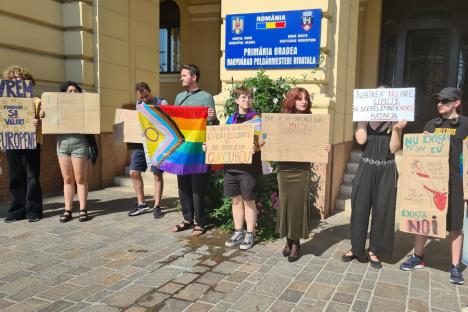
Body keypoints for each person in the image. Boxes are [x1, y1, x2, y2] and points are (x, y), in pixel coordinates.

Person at [400, 87, 467, 285]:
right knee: (423, 219)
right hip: (430, 184)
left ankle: (455, 266)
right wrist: (424, 142)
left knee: (456, 226)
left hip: (456, 184)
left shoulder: (465, 125)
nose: (440, 104)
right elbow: (421, 154)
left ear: (457, 103)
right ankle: (417, 257)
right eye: (438, 101)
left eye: (445, 101)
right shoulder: (431, 124)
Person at [342, 86, 407, 269]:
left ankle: (375, 250)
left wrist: (395, 129)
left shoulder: (394, 121)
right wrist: (361, 121)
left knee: (383, 210)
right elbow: (361, 140)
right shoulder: (365, 119)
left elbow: (393, 149)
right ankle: (356, 248)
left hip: (386, 169)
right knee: (360, 207)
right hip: (366, 167)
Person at [272, 87, 330, 262]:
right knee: (286, 205)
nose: (303, 101)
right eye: (299, 98)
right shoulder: (280, 121)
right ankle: (289, 238)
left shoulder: (313, 121)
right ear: (292, 101)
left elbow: (317, 143)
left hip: (301, 169)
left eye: (306, 98)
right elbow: (273, 141)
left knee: (298, 205)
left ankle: (295, 243)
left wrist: (324, 148)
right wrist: (265, 141)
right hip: (284, 169)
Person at [171, 64, 217, 236]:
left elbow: (211, 125)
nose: (181, 78)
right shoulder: (179, 97)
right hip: (182, 148)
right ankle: (187, 219)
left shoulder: (206, 97)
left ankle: (200, 221)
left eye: (184, 75)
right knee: (182, 185)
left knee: (198, 186)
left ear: (194, 77)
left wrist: (212, 117)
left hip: (198, 149)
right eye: (181, 75)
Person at [222, 86, 261, 250]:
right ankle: (238, 232)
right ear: (236, 100)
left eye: (249, 97)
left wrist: (257, 147)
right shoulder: (230, 120)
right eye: (243, 97)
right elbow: (222, 140)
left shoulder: (257, 119)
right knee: (236, 200)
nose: (247, 100)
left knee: (249, 201)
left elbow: (264, 139)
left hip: (249, 168)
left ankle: (250, 233)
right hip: (231, 167)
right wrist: (209, 146)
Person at [3, 65, 43, 222]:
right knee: (15, 176)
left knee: (32, 175)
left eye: (19, 76)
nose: (15, 80)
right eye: (12, 77)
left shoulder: (36, 101)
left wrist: (38, 121)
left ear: (26, 80)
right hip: (12, 140)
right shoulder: (3, 101)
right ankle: (17, 209)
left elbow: (48, 123)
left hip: (32, 140)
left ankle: (34, 209)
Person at [53, 81, 94, 222]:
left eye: (76, 91)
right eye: (70, 91)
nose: (73, 93)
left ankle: (83, 210)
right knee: (67, 179)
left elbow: (92, 122)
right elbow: (51, 121)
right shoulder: (58, 107)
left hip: (79, 143)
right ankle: (68, 210)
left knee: (80, 178)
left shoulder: (84, 106)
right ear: (64, 94)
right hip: (62, 144)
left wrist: (94, 112)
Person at [127, 82, 167, 218]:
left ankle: (157, 206)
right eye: (141, 97)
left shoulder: (161, 102)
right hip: (141, 143)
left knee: (157, 175)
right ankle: (141, 204)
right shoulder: (138, 105)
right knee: (133, 172)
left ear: (150, 92)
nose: (144, 99)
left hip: (157, 144)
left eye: (146, 96)